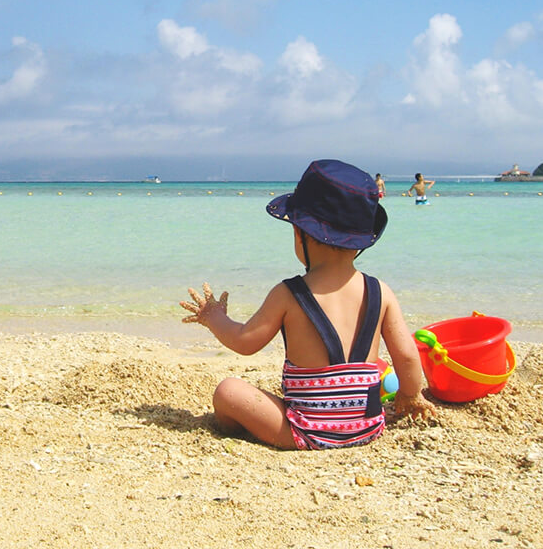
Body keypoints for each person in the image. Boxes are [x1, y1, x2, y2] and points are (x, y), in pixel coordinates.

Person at [180, 159, 434, 451]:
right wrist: (411, 396)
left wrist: (213, 317)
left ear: (301, 234)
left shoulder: (289, 294)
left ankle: (240, 430)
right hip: (367, 427)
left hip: (303, 432)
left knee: (228, 392)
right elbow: (407, 357)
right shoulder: (381, 292)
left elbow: (244, 341)